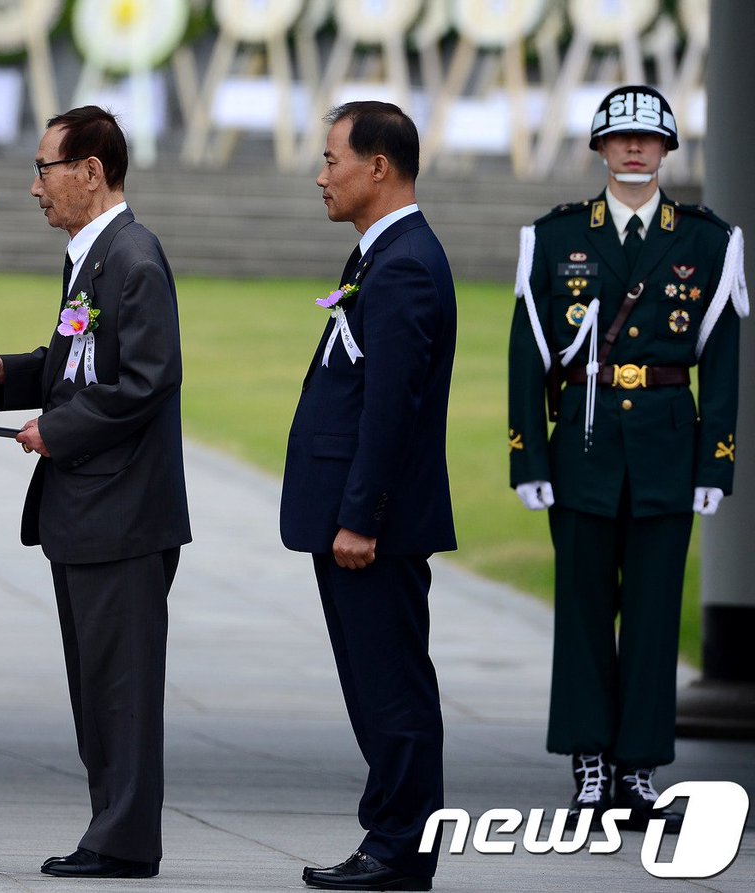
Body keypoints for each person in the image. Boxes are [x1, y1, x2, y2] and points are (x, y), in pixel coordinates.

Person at [508, 84, 747, 830]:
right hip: (581, 445)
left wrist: (716, 462)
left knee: (652, 614)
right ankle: (588, 763)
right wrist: (528, 459)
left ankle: (638, 770)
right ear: (601, 148)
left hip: (667, 452)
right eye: (621, 139)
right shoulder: (553, 238)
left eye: (650, 138)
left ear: (669, 148)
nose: (635, 149)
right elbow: (528, 357)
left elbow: (727, 361)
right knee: (581, 610)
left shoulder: (709, 240)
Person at [0, 106, 190, 879]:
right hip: (89, 509)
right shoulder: (92, 257)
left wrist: (60, 431)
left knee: (119, 689)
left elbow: (150, 380)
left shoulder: (134, 258)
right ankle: (111, 830)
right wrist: (2, 371)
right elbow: (76, 360)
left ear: (91, 172)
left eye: (45, 169)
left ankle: (122, 840)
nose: (34, 187)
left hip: (123, 512)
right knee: (97, 687)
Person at [280, 101, 457, 891]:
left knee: (391, 684)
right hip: (354, 518)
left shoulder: (407, 262)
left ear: (377, 168)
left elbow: (393, 406)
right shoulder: (377, 256)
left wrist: (359, 517)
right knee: (374, 683)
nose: (322, 176)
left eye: (331, 160)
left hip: (373, 526)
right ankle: (390, 836)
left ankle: (400, 847)